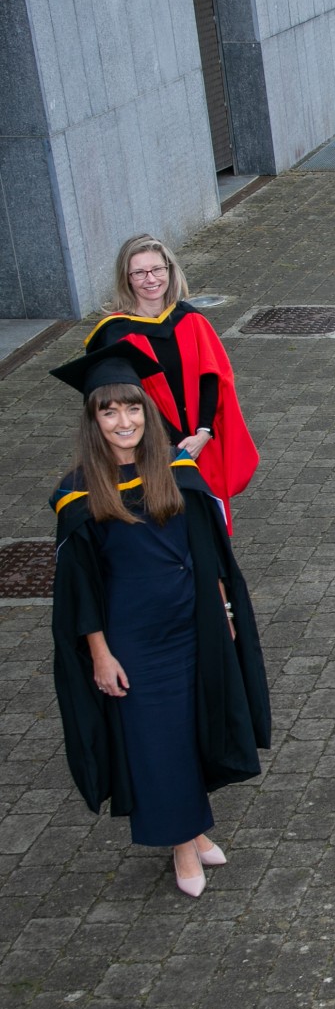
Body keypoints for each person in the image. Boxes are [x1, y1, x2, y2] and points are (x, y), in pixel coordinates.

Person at [48, 343, 272, 898]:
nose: (123, 421)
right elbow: (79, 591)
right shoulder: (78, 494)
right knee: (158, 741)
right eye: (109, 411)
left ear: (147, 415)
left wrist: (223, 609)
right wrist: (101, 653)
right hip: (134, 637)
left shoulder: (175, 468)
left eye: (132, 409)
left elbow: (209, 552)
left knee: (193, 727)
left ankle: (193, 832)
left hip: (192, 620)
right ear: (93, 420)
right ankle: (180, 844)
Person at [84, 233, 259, 529]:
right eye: (139, 272)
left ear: (169, 270)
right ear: (126, 279)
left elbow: (213, 378)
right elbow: (118, 402)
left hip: (199, 444)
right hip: (145, 447)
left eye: (157, 269)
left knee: (206, 524)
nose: (150, 279)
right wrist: (173, 443)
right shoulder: (112, 335)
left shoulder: (190, 319)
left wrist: (203, 432)